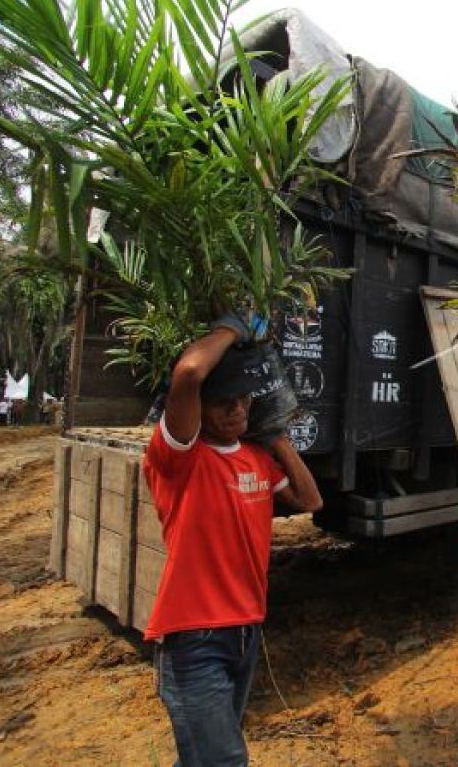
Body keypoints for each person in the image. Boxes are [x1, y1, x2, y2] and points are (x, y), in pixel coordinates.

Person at [143, 314, 323, 766]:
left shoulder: (254, 459)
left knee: (204, 759)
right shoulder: (179, 458)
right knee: (224, 760)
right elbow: (187, 373)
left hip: (246, 629)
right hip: (193, 638)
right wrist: (230, 328)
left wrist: (276, 436)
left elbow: (309, 500)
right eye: (223, 401)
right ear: (197, 406)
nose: (236, 409)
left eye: (243, 399)